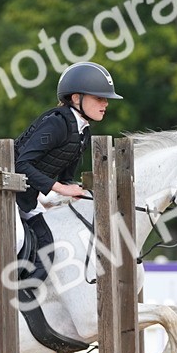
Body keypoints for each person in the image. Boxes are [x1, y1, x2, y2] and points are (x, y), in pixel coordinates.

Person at [12, 62, 123, 270]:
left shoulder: (82, 131)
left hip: (27, 199)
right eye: (99, 98)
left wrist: (78, 192)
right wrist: (62, 189)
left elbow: (65, 179)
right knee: (17, 241)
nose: (106, 103)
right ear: (76, 98)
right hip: (4, 197)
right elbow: (22, 165)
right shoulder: (57, 123)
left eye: (105, 98)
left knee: (47, 239)